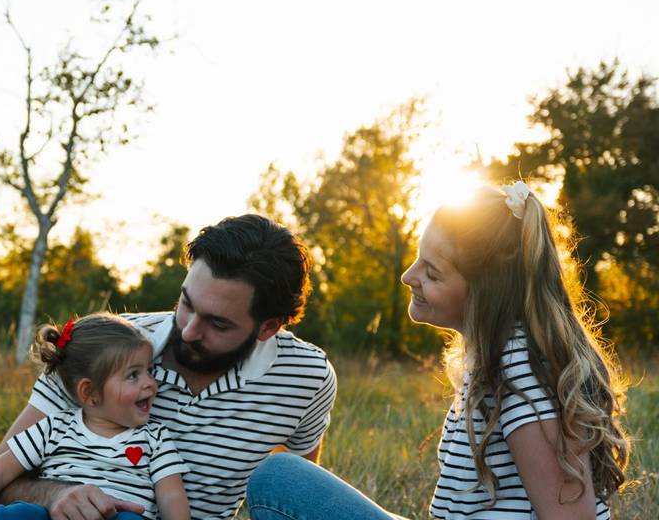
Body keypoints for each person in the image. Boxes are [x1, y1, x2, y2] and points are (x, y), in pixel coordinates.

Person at [246, 182, 630, 519]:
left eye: (432, 272)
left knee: (280, 479)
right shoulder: (501, 360)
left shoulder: (520, 374)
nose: (408, 276)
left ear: (485, 292)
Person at [0, 214, 338, 520]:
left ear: (267, 327)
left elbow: (295, 495)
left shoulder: (306, 378)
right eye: (186, 302)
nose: (187, 330)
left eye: (217, 324)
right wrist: (55, 495)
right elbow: (0, 478)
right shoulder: (99, 349)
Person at [0, 313, 190, 520]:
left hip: (119, 515)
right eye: (133, 375)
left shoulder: (154, 437)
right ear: (89, 392)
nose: (150, 383)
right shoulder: (55, 427)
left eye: (149, 370)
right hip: (56, 515)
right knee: (22, 513)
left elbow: (171, 495)